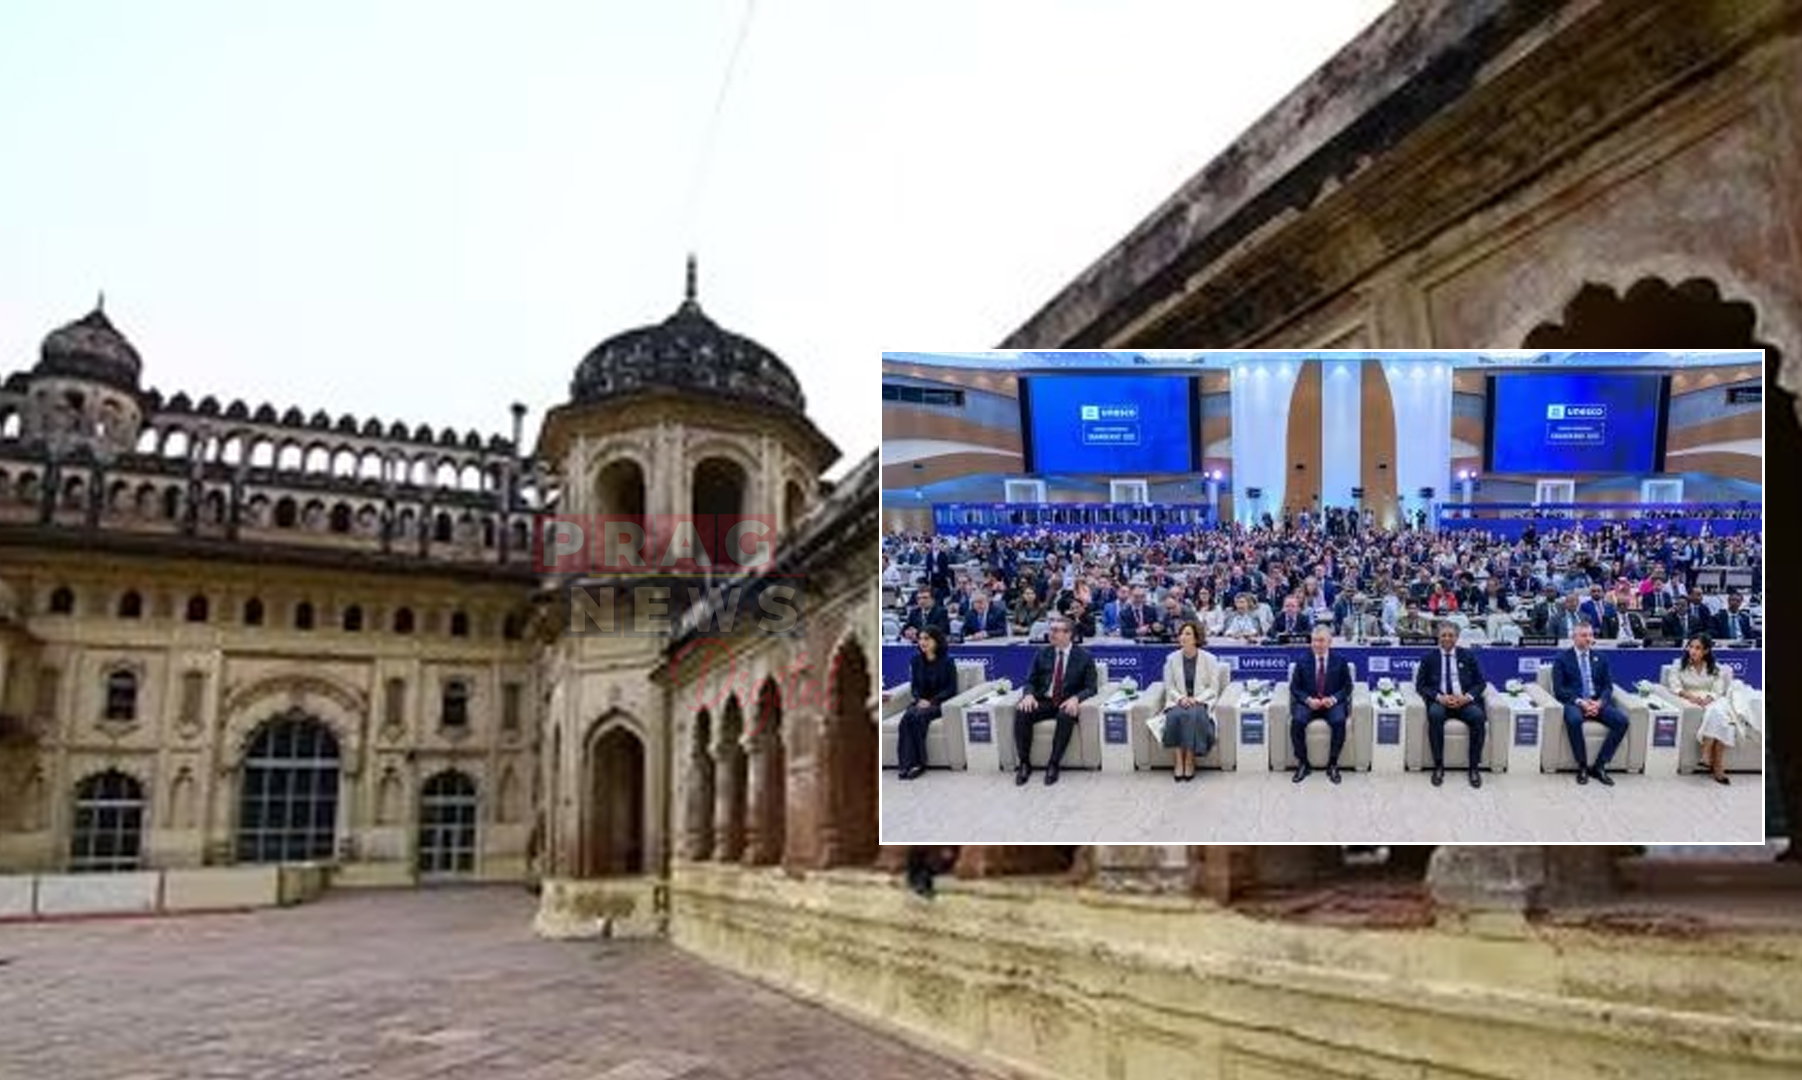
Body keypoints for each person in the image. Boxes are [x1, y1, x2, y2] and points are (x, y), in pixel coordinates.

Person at [1012, 616, 1098, 787]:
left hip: (1067, 701)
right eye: (1051, 630)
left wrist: (1076, 698)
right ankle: (1024, 763)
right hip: (1045, 700)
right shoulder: (1042, 653)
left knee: (1065, 715)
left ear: (1069, 634)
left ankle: (1053, 763)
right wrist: (1028, 695)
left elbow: (1091, 687)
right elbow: (1030, 680)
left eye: (1056, 630)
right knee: (1022, 711)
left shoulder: (1084, 656)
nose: (1051, 634)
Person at [1550, 622, 1631, 786]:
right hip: (1575, 701)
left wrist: (1599, 703)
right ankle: (1582, 766)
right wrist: (1581, 702)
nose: (1589, 639)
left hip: (1596, 701)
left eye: (1590, 635)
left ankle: (1600, 765)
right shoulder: (1561, 659)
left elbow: (1608, 686)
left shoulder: (1600, 658)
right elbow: (1559, 690)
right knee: (1574, 720)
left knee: (1621, 721)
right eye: (1584, 635)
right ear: (1574, 637)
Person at [1666, 635, 1753, 785]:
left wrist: (1708, 699)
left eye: (1698, 648)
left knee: (1716, 711)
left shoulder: (1715, 667)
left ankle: (1706, 754)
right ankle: (1718, 766)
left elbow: (1718, 690)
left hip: (1713, 699)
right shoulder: (1678, 664)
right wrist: (1691, 697)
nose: (1693, 651)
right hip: (1691, 697)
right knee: (1722, 719)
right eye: (1691, 647)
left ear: (1706, 651)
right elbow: (1675, 687)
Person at [1413, 621, 1489, 788]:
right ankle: (1438, 766)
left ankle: (1474, 768)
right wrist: (1439, 697)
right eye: (1443, 635)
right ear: (1438, 637)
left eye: (1451, 635)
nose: (1447, 638)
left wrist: (1467, 697)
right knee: (1434, 715)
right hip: (1441, 701)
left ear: (1457, 637)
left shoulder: (1468, 656)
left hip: (1463, 701)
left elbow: (1480, 683)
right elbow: (1420, 685)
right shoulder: (1429, 658)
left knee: (1478, 717)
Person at [1287, 624, 1353, 784]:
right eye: (1314, 641)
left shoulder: (1340, 661)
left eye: (1321, 641)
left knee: (1338, 721)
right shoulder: (1302, 661)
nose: (1317, 644)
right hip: (1310, 701)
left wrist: (1334, 699)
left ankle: (1333, 763)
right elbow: (1294, 687)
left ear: (1330, 642)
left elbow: (1348, 687)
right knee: (1297, 722)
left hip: (1331, 702)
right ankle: (1303, 763)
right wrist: (1308, 700)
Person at [1159, 620, 1222, 783]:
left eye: (1188, 634)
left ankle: (1189, 759)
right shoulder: (1171, 659)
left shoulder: (1210, 659)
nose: (1183, 637)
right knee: (1175, 716)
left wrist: (1196, 699)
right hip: (1178, 700)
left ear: (1196, 638)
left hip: (1200, 701)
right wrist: (1181, 698)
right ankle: (1179, 760)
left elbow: (1213, 688)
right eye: (1181, 634)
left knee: (1194, 716)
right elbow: (1169, 686)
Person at [896, 627, 956, 780]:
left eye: (927, 639)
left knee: (918, 717)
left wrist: (931, 701)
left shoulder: (948, 661)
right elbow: (914, 687)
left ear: (936, 641)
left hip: (938, 703)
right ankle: (905, 764)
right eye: (921, 639)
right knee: (907, 717)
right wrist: (918, 700)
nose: (922, 642)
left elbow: (951, 689)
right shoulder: (916, 661)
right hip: (920, 702)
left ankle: (919, 763)